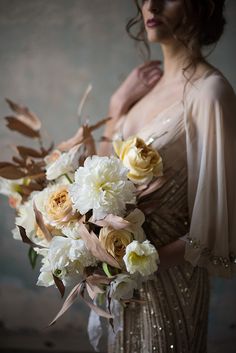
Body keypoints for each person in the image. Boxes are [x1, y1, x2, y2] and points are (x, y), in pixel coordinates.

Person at [99, 0, 236, 352]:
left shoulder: (210, 93)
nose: (151, 5)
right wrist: (117, 106)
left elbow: (216, 231)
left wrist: (137, 260)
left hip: (169, 282)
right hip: (120, 282)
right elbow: (97, 172)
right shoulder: (144, 90)